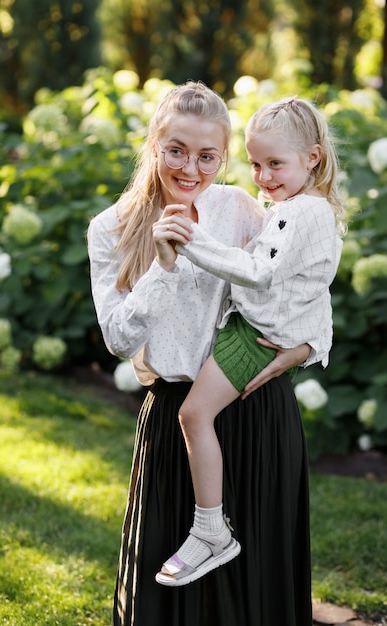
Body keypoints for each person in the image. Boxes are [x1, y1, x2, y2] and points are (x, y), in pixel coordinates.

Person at [87, 81, 313, 626]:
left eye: (208, 155)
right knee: (171, 598)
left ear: (225, 157)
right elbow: (118, 340)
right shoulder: (111, 229)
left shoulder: (240, 209)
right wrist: (161, 269)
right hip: (176, 422)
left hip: (256, 412)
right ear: (154, 144)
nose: (191, 168)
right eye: (177, 150)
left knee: (255, 585)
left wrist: (302, 350)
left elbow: (301, 290)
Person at [154, 96, 345, 587]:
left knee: (193, 414)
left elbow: (259, 274)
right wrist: (309, 343)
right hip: (263, 331)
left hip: (253, 336)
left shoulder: (300, 213)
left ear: (314, 157)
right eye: (256, 163)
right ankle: (211, 529)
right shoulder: (308, 207)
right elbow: (315, 291)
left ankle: (210, 530)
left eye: (275, 164)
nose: (262, 177)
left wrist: (193, 240)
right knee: (196, 416)